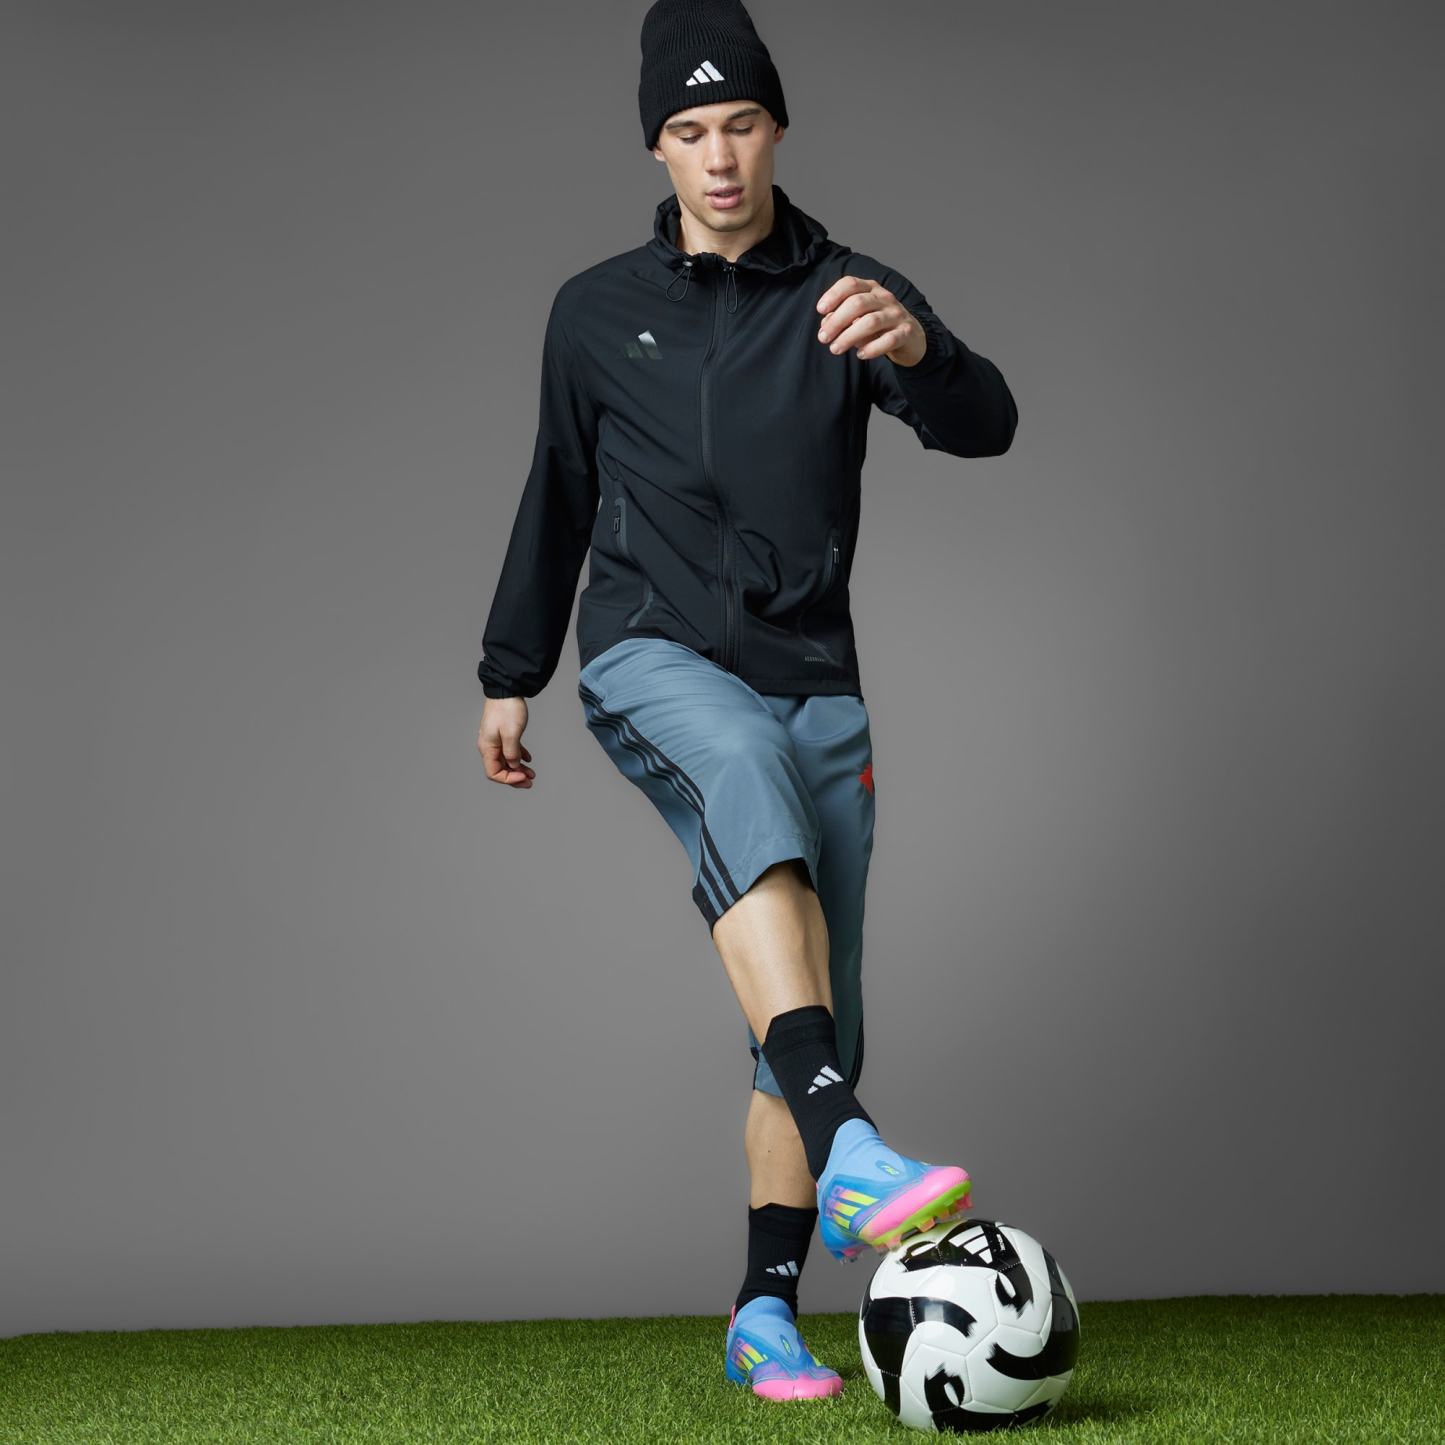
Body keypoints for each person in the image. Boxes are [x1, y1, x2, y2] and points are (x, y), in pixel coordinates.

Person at [475, 0, 1018, 1403]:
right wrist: (510, 672)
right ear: (655, 147)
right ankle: (853, 1146)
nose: (717, 158)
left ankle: (764, 1309)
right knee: (740, 774)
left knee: (812, 1006)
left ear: (776, 128)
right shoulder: (594, 311)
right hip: (649, 650)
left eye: (740, 124)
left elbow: (986, 429)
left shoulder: (848, 291)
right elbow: (557, 491)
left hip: (813, 675)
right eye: (688, 131)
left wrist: (922, 353)